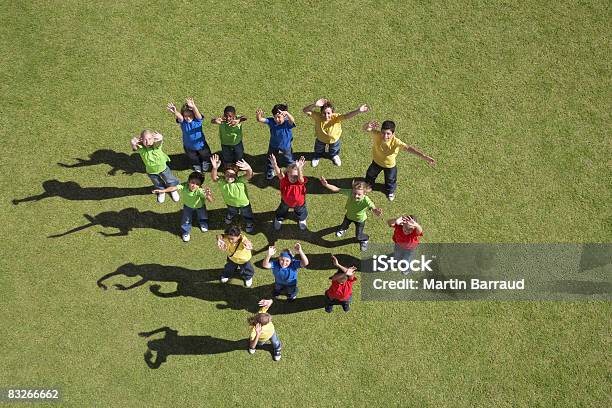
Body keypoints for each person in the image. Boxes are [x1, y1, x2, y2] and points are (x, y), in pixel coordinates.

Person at [363, 120, 435, 201]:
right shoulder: (377, 135)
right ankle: (368, 185)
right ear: (380, 131)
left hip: (390, 166)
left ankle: (390, 192)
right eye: (383, 132)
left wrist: (424, 156)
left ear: (393, 134)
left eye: (388, 134)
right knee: (370, 174)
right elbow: (365, 128)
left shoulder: (396, 142)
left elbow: (409, 148)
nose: (385, 136)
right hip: (376, 162)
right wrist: (367, 125)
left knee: (390, 180)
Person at [302, 98, 369, 167]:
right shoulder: (317, 116)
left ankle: (334, 156)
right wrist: (314, 105)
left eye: (328, 113)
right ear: (321, 112)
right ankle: (317, 156)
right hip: (320, 139)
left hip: (334, 140)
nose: (326, 116)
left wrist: (358, 111)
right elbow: (305, 110)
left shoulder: (336, 117)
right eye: (324, 113)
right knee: (318, 150)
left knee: (334, 150)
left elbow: (347, 116)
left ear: (332, 113)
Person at [320, 178, 383, 251]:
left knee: (358, 237)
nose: (356, 196)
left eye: (359, 194)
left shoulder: (366, 200)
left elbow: (373, 207)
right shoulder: (350, 192)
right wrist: (326, 185)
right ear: (352, 191)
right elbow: (337, 189)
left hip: (360, 220)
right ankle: (343, 229)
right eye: (354, 193)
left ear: (364, 193)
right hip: (348, 216)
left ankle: (365, 239)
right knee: (343, 226)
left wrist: (376, 211)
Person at [153, 171, 214, 242]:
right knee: (186, 220)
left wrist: (208, 195)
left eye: (197, 184)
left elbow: (211, 200)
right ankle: (185, 232)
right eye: (192, 182)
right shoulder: (184, 186)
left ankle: (203, 223)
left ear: (200, 185)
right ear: (188, 181)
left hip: (200, 207)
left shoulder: (200, 191)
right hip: (187, 207)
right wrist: (163, 191)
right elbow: (173, 188)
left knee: (202, 216)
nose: (194, 185)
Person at [130, 130, 180, 203]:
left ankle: (173, 189)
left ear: (153, 139)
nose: (148, 142)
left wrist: (161, 138)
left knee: (170, 180)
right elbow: (135, 149)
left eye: (150, 139)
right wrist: (133, 144)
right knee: (157, 183)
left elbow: (159, 142)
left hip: (164, 169)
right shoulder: (141, 149)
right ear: (141, 140)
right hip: (151, 172)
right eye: (145, 140)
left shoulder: (156, 146)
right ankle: (161, 191)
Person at [210, 154, 255, 233]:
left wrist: (249, 168)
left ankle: (249, 223)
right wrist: (214, 168)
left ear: (236, 176)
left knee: (247, 214)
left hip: (244, 204)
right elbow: (214, 178)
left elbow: (249, 176)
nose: (230, 176)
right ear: (224, 175)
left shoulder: (240, 181)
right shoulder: (222, 182)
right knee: (232, 211)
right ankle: (230, 215)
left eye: (232, 175)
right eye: (227, 174)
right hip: (230, 203)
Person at [167, 97, 211, 172]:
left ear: (194, 115)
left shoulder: (197, 121)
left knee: (205, 155)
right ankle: (196, 164)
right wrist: (175, 112)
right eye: (185, 116)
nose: (187, 118)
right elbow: (180, 117)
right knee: (193, 157)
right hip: (188, 146)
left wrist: (193, 107)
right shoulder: (183, 122)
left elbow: (198, 115)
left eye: (190, 115)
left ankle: (206, 162)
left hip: (201, 145)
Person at [256, 104, 296, 180]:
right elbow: (260, 119)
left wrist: (287, 113)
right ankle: (271, 170)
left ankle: (291, 169)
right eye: (275, 117)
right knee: (271, 158)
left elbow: (292, 121)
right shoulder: (271, 121)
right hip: (273, 145)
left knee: (289, 159)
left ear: (285, 116)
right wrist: (259, 116)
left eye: (279, 117)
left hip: (286, 146)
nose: (277, 119)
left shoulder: (287, 123)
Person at [269, 154, 308, 231]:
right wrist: (274, 164)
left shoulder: (300, 182)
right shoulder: (284, 180)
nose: (294, 178)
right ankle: (279, 218)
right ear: (288, 173)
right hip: (285, 202)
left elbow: (301, 179)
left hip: (299, 204)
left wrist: (299, 168)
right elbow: (279, 173)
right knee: (281, 210)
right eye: (292, 176)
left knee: (301, 212)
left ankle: (302, 219)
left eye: (296, 176)